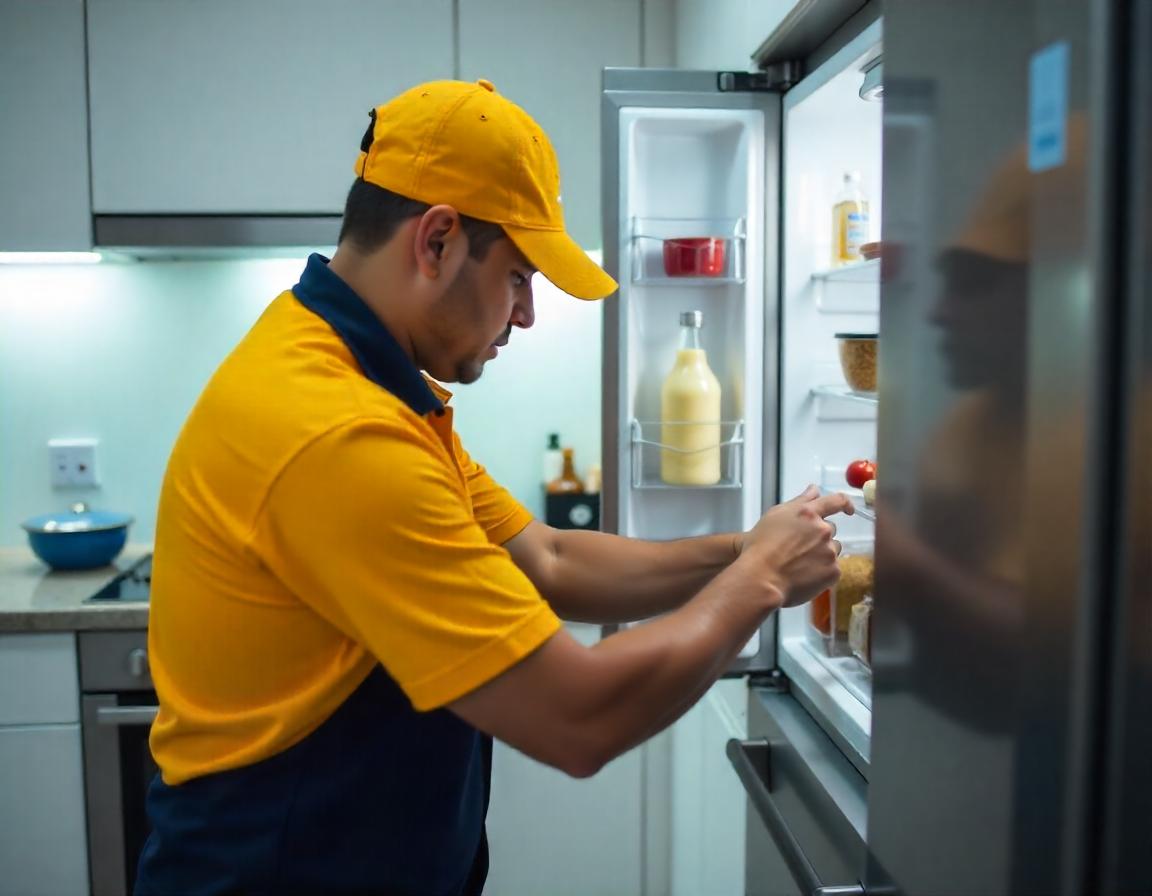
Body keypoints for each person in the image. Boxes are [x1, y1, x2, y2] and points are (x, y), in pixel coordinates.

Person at [134, 78, 851, 896]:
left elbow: (546, 558)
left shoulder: (353, 371)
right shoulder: (340, 435)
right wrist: (760, 581)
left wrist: (745, 545)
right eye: (518, 276)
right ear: (437, 241)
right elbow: (578, 716)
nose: (529, 313)